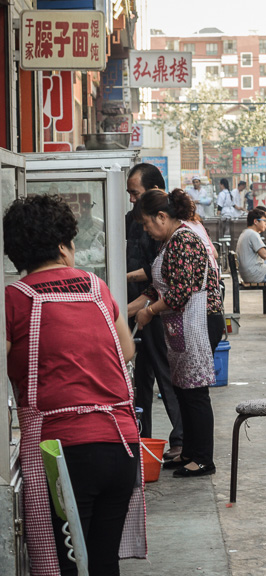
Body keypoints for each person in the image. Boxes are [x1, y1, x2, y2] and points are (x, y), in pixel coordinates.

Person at [4, 194, 144, 574]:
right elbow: (126, 351)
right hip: (121, 443)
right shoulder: (96, 288)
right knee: (102, 562)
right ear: (65, 246)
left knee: (68, 566)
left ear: (15, 256)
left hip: (62, 453)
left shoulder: (13, 299)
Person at [131, 189, 223, 478]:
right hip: (183, 324)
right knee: (182, 389)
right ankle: (188, 452)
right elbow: (158, 288)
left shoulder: (183, 239)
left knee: (195, 391)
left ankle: (203, 459)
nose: (147, 230)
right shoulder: (170, 240)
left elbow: (181, 292)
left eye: (147, 223)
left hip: (200, 321)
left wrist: (148, 312)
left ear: (162, 216)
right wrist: (126, 309)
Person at [125, 163, 183, 459]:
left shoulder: (174, 234)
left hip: (156, 309)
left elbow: (165, 277)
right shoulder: (127, 220)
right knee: (140, 381)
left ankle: (181, 438)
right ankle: (142, 438)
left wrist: (146, 302)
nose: (132, 199)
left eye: (135, 193)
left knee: (166, 373)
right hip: (136, 310)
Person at [236, 207, 266, 284]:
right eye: (264, 221)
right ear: (255, 221)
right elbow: (264, 255)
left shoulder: (246, 232)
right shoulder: (253, 234)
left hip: (249, 272)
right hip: (255, 274)